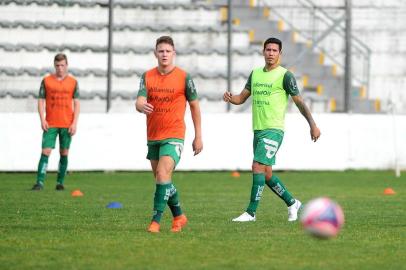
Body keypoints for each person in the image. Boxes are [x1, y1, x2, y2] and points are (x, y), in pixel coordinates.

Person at [223, 37, 321, 222]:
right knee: (266, 174)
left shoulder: (285, 75)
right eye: (268, 50)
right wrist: (230, 97)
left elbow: (299, 101)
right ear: (263, 52)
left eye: (274, 50)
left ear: (280, 54)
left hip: (274, 129)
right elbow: (241, 98)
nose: (271, 53)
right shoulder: (255, 74)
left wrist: (312, 125)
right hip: (258, 129)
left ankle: (251, 213)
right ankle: (292, 203)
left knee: (257, 167)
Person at [135, 36, 203, 233]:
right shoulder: (147, 76)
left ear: (174, 54)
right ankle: (179, 216)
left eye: (168, 51)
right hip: (153, 136)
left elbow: (195, 106)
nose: (164, 54)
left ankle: (155, 221)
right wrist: (140, 105)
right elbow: (139, 100)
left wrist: (198, 136)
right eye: (161, 51)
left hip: (174, 135)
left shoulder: (184, 77)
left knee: (163, 174)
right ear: (156, 53)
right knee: (162, 180)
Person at [32, 53, 80, 191]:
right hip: (51, 123)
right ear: (54, 65)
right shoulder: (46, 81)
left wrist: (74, 123)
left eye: (62, 65)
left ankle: (60, 182)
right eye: (57, 65)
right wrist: (42, 119)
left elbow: (76, 103)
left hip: (67, 123)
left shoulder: (73, 82)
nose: (60, 68)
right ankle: (39, 182)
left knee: (64, 152)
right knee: (45, 151)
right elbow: (41, 101)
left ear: (67, 65)